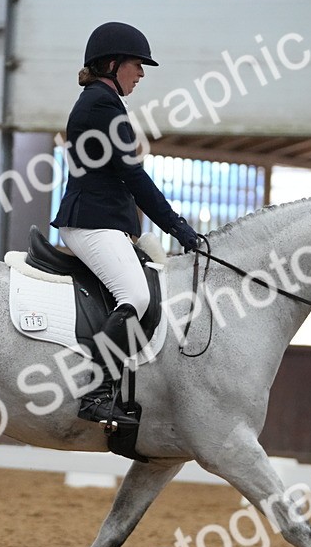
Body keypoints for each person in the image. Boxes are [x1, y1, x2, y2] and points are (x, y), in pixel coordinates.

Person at [51, 21, 201, 426]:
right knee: (135, 295)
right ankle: (95, 394)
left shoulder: (105, 102)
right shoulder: (101, 104)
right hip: (91, 223)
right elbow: (133, 177)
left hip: (103, 221)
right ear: (112, 64)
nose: (141, 74)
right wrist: (180, 230)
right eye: (136, 65)